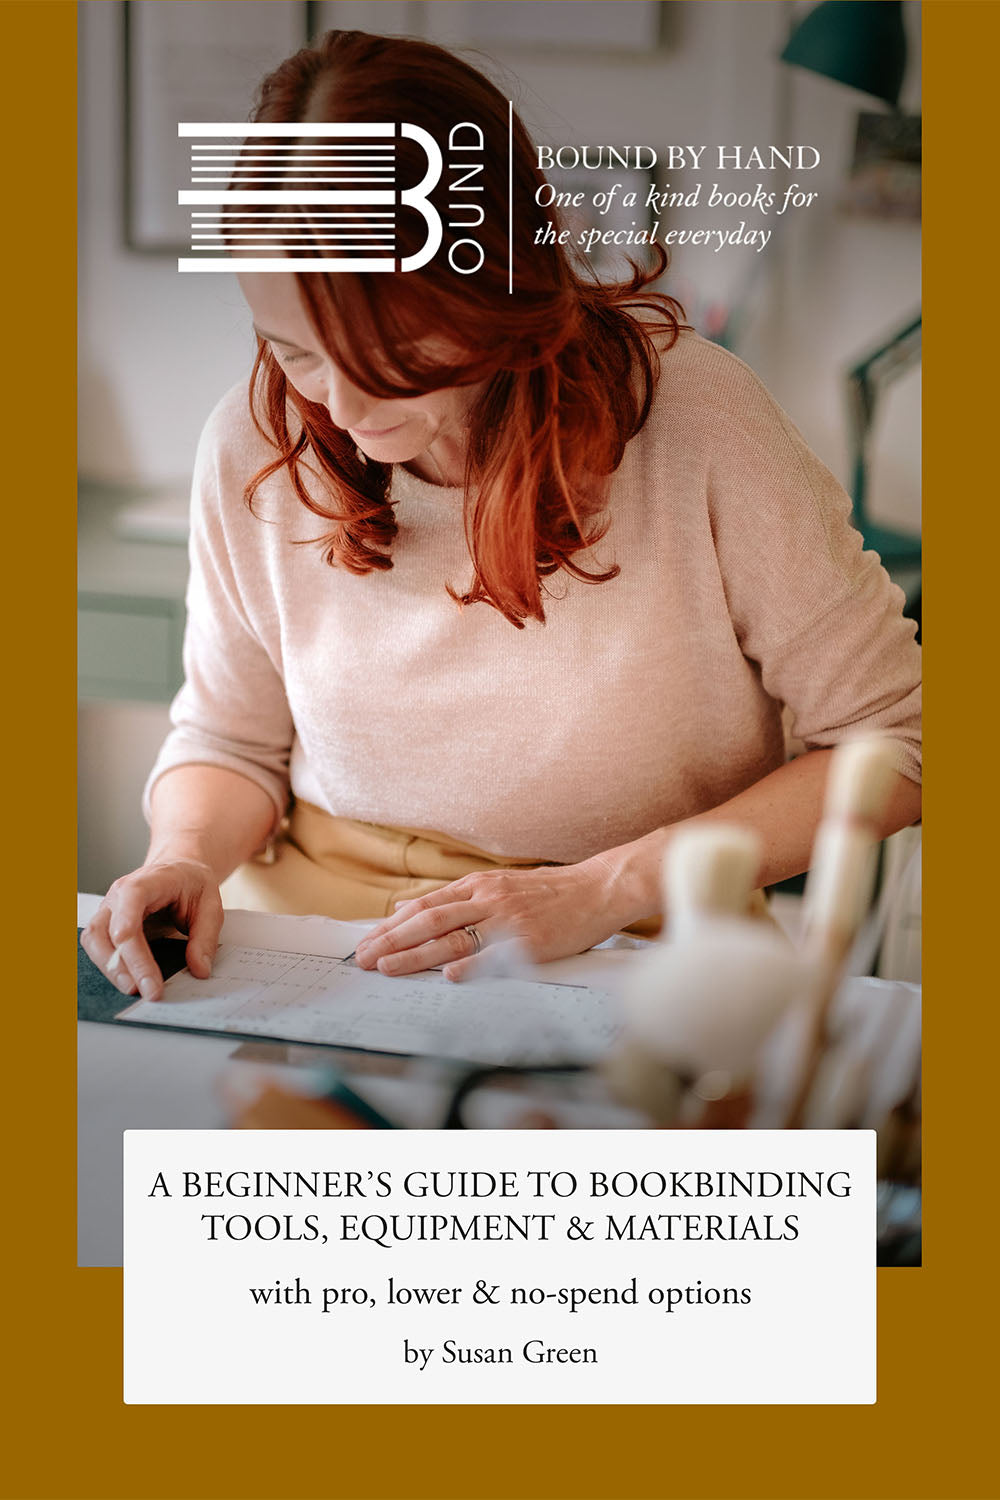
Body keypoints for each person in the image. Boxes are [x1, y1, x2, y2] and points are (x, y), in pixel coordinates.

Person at [81, 29, 921, 1002]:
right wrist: (182, 854)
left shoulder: (698, 422)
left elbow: (898, 746)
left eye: (387, 350)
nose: (341, 409)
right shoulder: (255, 440)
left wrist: (601, 889)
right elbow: (230, 741)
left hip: (635, 931)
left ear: (496, 278)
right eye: (295, 348)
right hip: (322, 929)